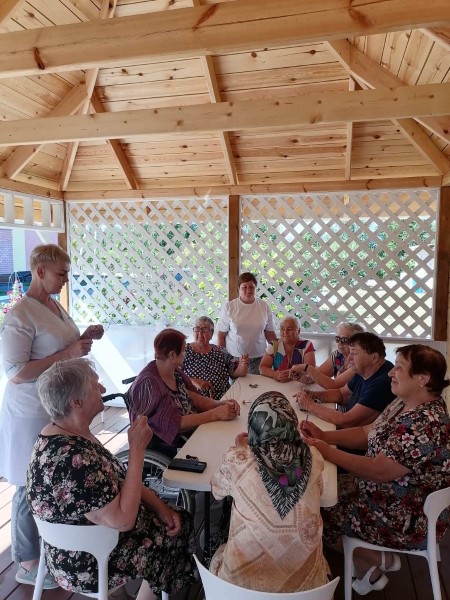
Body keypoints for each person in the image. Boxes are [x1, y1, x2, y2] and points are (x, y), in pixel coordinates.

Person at [26, 358, 196, 600]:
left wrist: (161, 508)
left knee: (174, 516)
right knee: (179, 530)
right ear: (76, 402)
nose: (103, 389)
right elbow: (124, 521)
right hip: (87, 561)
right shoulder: (72, 459)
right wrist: (137, 449)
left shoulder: (61, 432)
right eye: (96, 386)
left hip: (85, 541)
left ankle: (120, 595)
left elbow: (121, 478)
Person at [300, 344, 450, 596]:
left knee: (313, 512)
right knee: (316, 493)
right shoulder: (404, 403)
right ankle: (369, 568)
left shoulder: (424, 423)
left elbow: (378, 470)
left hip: (406, 518)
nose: (391, 372)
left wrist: (327, 451)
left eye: (399, 368)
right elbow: (366, 432)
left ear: (423, 378)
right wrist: (324, 436)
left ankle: (375, 559)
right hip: (383, 494)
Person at [0, 243, 104, 589]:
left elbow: (63, 348)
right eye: (61, 274)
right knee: (26, 482)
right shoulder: (20, 315)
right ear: (40, 271)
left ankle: (50, 546)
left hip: (54, 406)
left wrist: (83, 339)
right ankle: (26, 561)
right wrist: (69, 352)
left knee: (49, 478)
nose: (65, 279)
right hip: (29, 410)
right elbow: (16, 372)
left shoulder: (54, 306)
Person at [209, 391, 329, 592]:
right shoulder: (314, 457)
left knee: (219, 549)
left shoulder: (238, 460)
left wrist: (241, 450)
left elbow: (216, 490)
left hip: (239, 591)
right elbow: (321, 490)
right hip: (308, 592)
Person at [128, 328, 240, 457]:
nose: (185, 353)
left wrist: (219, 404)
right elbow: (175, 424)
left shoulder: (174, 371)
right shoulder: (149, 384)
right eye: (183, 350)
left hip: (191, 432)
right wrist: (215, 414)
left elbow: (194, 397)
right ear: (172, 355)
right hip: (170, 443)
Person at [294, 332, 395, 428]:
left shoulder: (383, 383)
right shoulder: (364, 369)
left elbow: (347, 421)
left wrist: (309, 404)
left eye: (354, 353)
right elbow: (342, 394)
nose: (349, 358)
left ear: (374, 358)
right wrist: (312, 395)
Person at [217, 272, 276, 374]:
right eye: (244, 287)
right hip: (234, 358)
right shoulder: (229, 307)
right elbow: (221, 335)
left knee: (258, 383)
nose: (248, 290)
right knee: (237, 384)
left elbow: (270, 333)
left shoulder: (264, 307)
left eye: (251, 287)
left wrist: (277, 353)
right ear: (238, 289)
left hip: (259, 358)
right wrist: (221, 358)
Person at [183, 316, 249, 399]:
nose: (200, 333)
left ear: (211, 334)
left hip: (222, 398)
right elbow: (174, 375)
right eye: (197, 329)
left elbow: (235, 374)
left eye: (205, 329)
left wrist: (242, 364)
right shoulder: (184, 351)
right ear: (193, 332)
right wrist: (194, 381)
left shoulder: (220, 351)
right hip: (194, 400)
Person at [291, 322, 364, 389]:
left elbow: (334, 384)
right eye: (337, 339)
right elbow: (316, 376)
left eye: (344, 340)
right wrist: (298, 377)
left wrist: (307, 367)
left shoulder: (358, 362)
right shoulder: (337, 356)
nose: (339, 343)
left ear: (357, 343)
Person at [259, 315, 315, 383]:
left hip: (299, 386)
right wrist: (274, 374)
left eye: (289, 329)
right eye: (282, 329)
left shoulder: (306, 345)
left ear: (298, 331)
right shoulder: (274, 344)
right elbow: (262, 367)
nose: (285, 332)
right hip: (279, 385)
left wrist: (291, 376)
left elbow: (311, 372)